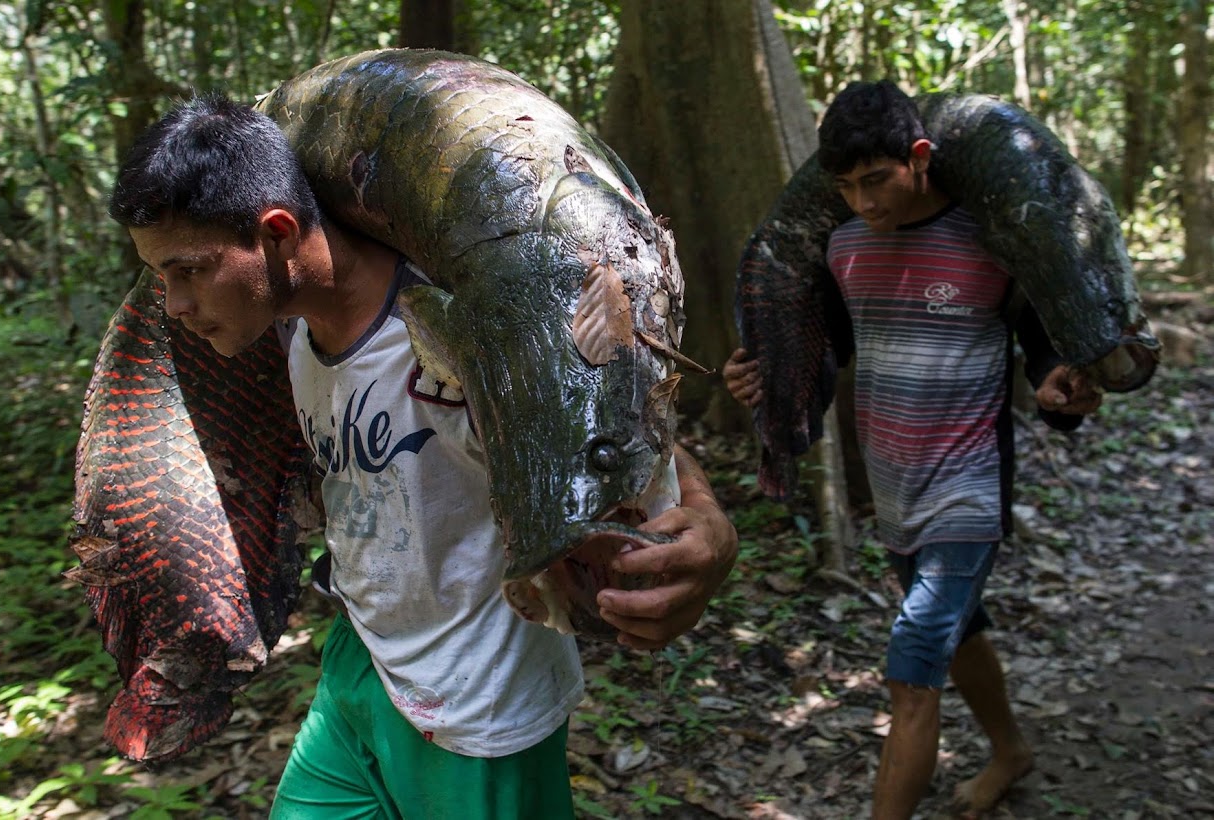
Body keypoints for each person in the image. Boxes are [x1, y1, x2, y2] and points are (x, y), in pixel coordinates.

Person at [109, 94, 737, 819]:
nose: (175, 302)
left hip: (480, 711)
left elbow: (618, 435)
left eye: (187, 270)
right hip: (360, 665)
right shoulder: (291, 335)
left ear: (276, 233)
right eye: (161, 276)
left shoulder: (464, 334)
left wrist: (709, 523)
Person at [723, 80, 1103, 819]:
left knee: (912, 669)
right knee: (963, 631)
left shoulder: (992, 235)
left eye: (876, 181)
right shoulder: (841, 244)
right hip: (896, 490)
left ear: (920, 158)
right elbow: (822, 351)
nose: (864, 201)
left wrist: (1061, 384)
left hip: (968, 486)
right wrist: (766, 380)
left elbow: (1042, 349)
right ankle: (1011, 750)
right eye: (845, 186)